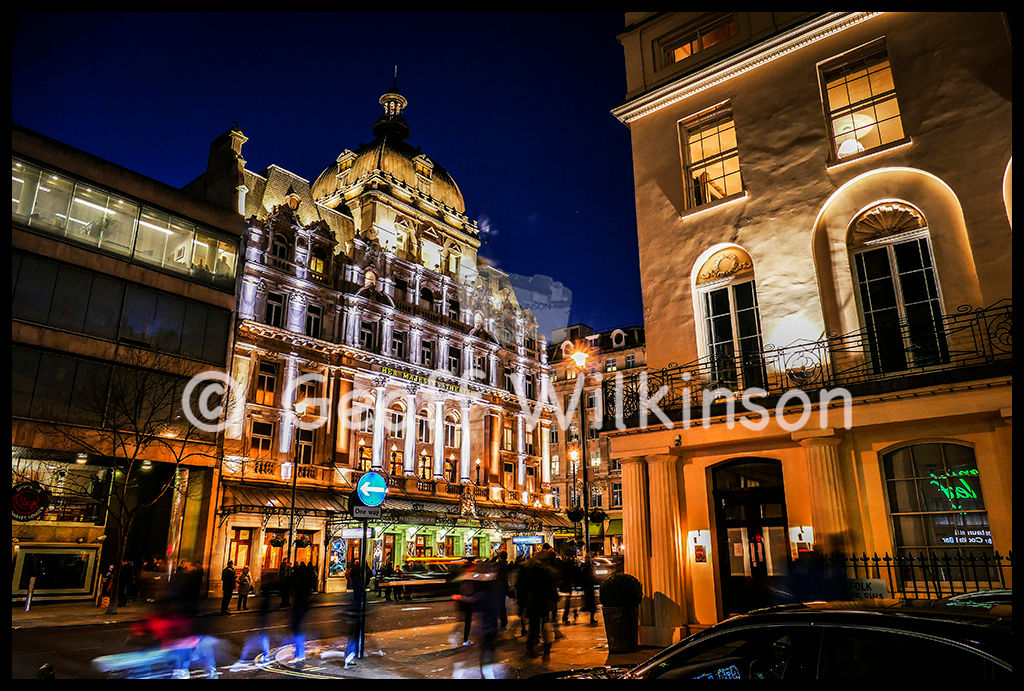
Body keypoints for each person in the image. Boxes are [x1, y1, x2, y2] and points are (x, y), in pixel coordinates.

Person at [289, 562, 314, 664]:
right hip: (301, 606)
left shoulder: (300, 584)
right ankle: (300, 653)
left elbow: (291, 583)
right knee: (297, 629)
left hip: (299, 606)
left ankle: (300, 654)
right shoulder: (306, 583)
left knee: (297, 630)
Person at [579, 555, 598, 625]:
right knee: (590, 602)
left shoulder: (588, 566)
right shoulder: (586, 566)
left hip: (588, 586)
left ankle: (591, 617)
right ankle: (591, 617)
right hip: (588, 586)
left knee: (590, 602)